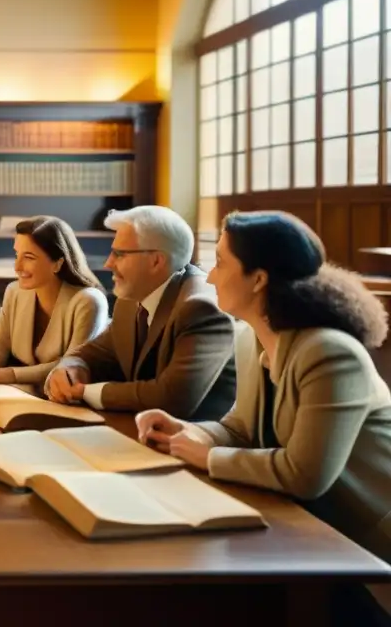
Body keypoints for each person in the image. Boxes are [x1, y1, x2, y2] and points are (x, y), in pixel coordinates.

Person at [136, 211, 391, 594]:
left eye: (220, 262)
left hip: (366, 545)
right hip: (307, 529)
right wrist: (187, 431)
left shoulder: (329, 352)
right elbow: (240, 427)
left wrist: (205, 456)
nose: (208, 276)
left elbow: (305, 475)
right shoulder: (248, 337)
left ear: (258, 279)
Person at [45, 205, 237, 419]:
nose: (108, 263)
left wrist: (82, 391)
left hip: (196, 441)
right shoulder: (130, 301)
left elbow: (172, 399)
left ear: (156, 261)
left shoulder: (201, 308)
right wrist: (69, 368)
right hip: (142, 428)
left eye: (119, 254)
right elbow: (95, 353)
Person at [0, 215, 109, 389]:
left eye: (29, 257)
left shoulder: (88, 301)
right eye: (17, 255)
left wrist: (3, 375)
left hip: (69, 399)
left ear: (58, 263)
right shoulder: (15, 291)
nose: (17, 267)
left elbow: (72, 366)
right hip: (24, 393)